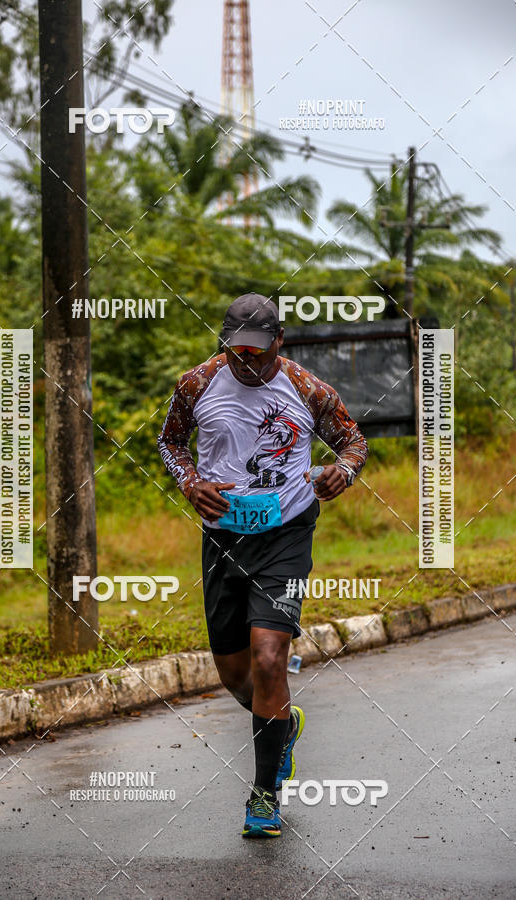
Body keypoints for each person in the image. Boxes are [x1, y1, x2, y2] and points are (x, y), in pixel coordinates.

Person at [157, 293, 368, 837]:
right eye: (235, 352)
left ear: (280, 342)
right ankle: (282, 722)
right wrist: (190, 483)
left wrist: (340, 473)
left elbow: (352, 441)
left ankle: (264, 796)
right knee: (235, 675)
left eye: (256, 352)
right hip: (223, 540)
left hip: (286, 535)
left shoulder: (304, 387)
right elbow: (170, 443)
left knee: (271, 658)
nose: (245, 363)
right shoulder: (197, 383)